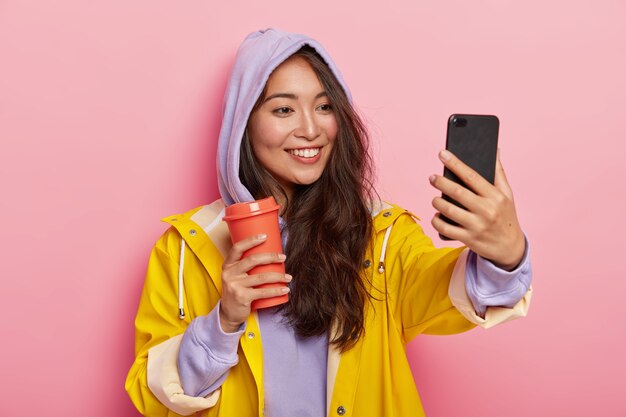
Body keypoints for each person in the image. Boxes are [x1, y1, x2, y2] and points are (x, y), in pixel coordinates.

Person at [125, 28, 532, 417]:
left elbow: (460, 294)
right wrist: (224, 320)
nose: (311, 129)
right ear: (242, 124)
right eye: (284, 109)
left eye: (324, 107)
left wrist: (506, 254)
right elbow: (154, 397)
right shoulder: (186, 249)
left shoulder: (381, 236)